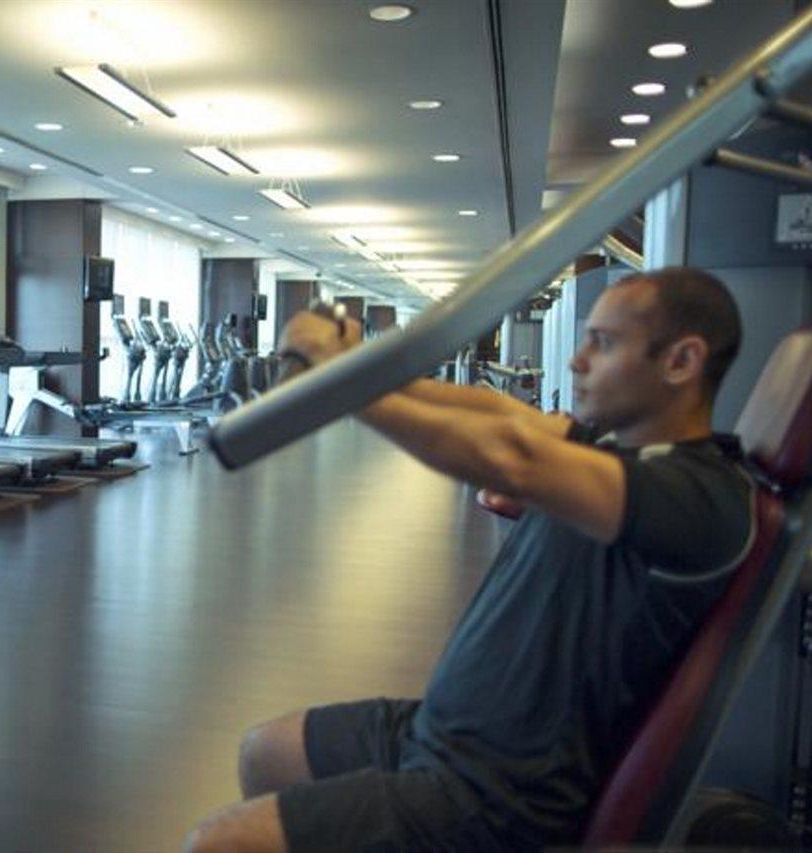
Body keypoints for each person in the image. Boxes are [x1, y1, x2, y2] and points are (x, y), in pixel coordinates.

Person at [183, 267, 753, 852]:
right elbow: (499, 417)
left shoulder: (697, 496)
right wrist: (356, 364)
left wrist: (334, 381)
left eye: (602, 343)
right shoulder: (616, 451)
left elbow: (513, 455)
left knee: (217, 842)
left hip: (506, 791)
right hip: (449, 730)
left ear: (681, 362)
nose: (578, 360)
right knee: (266, 751)